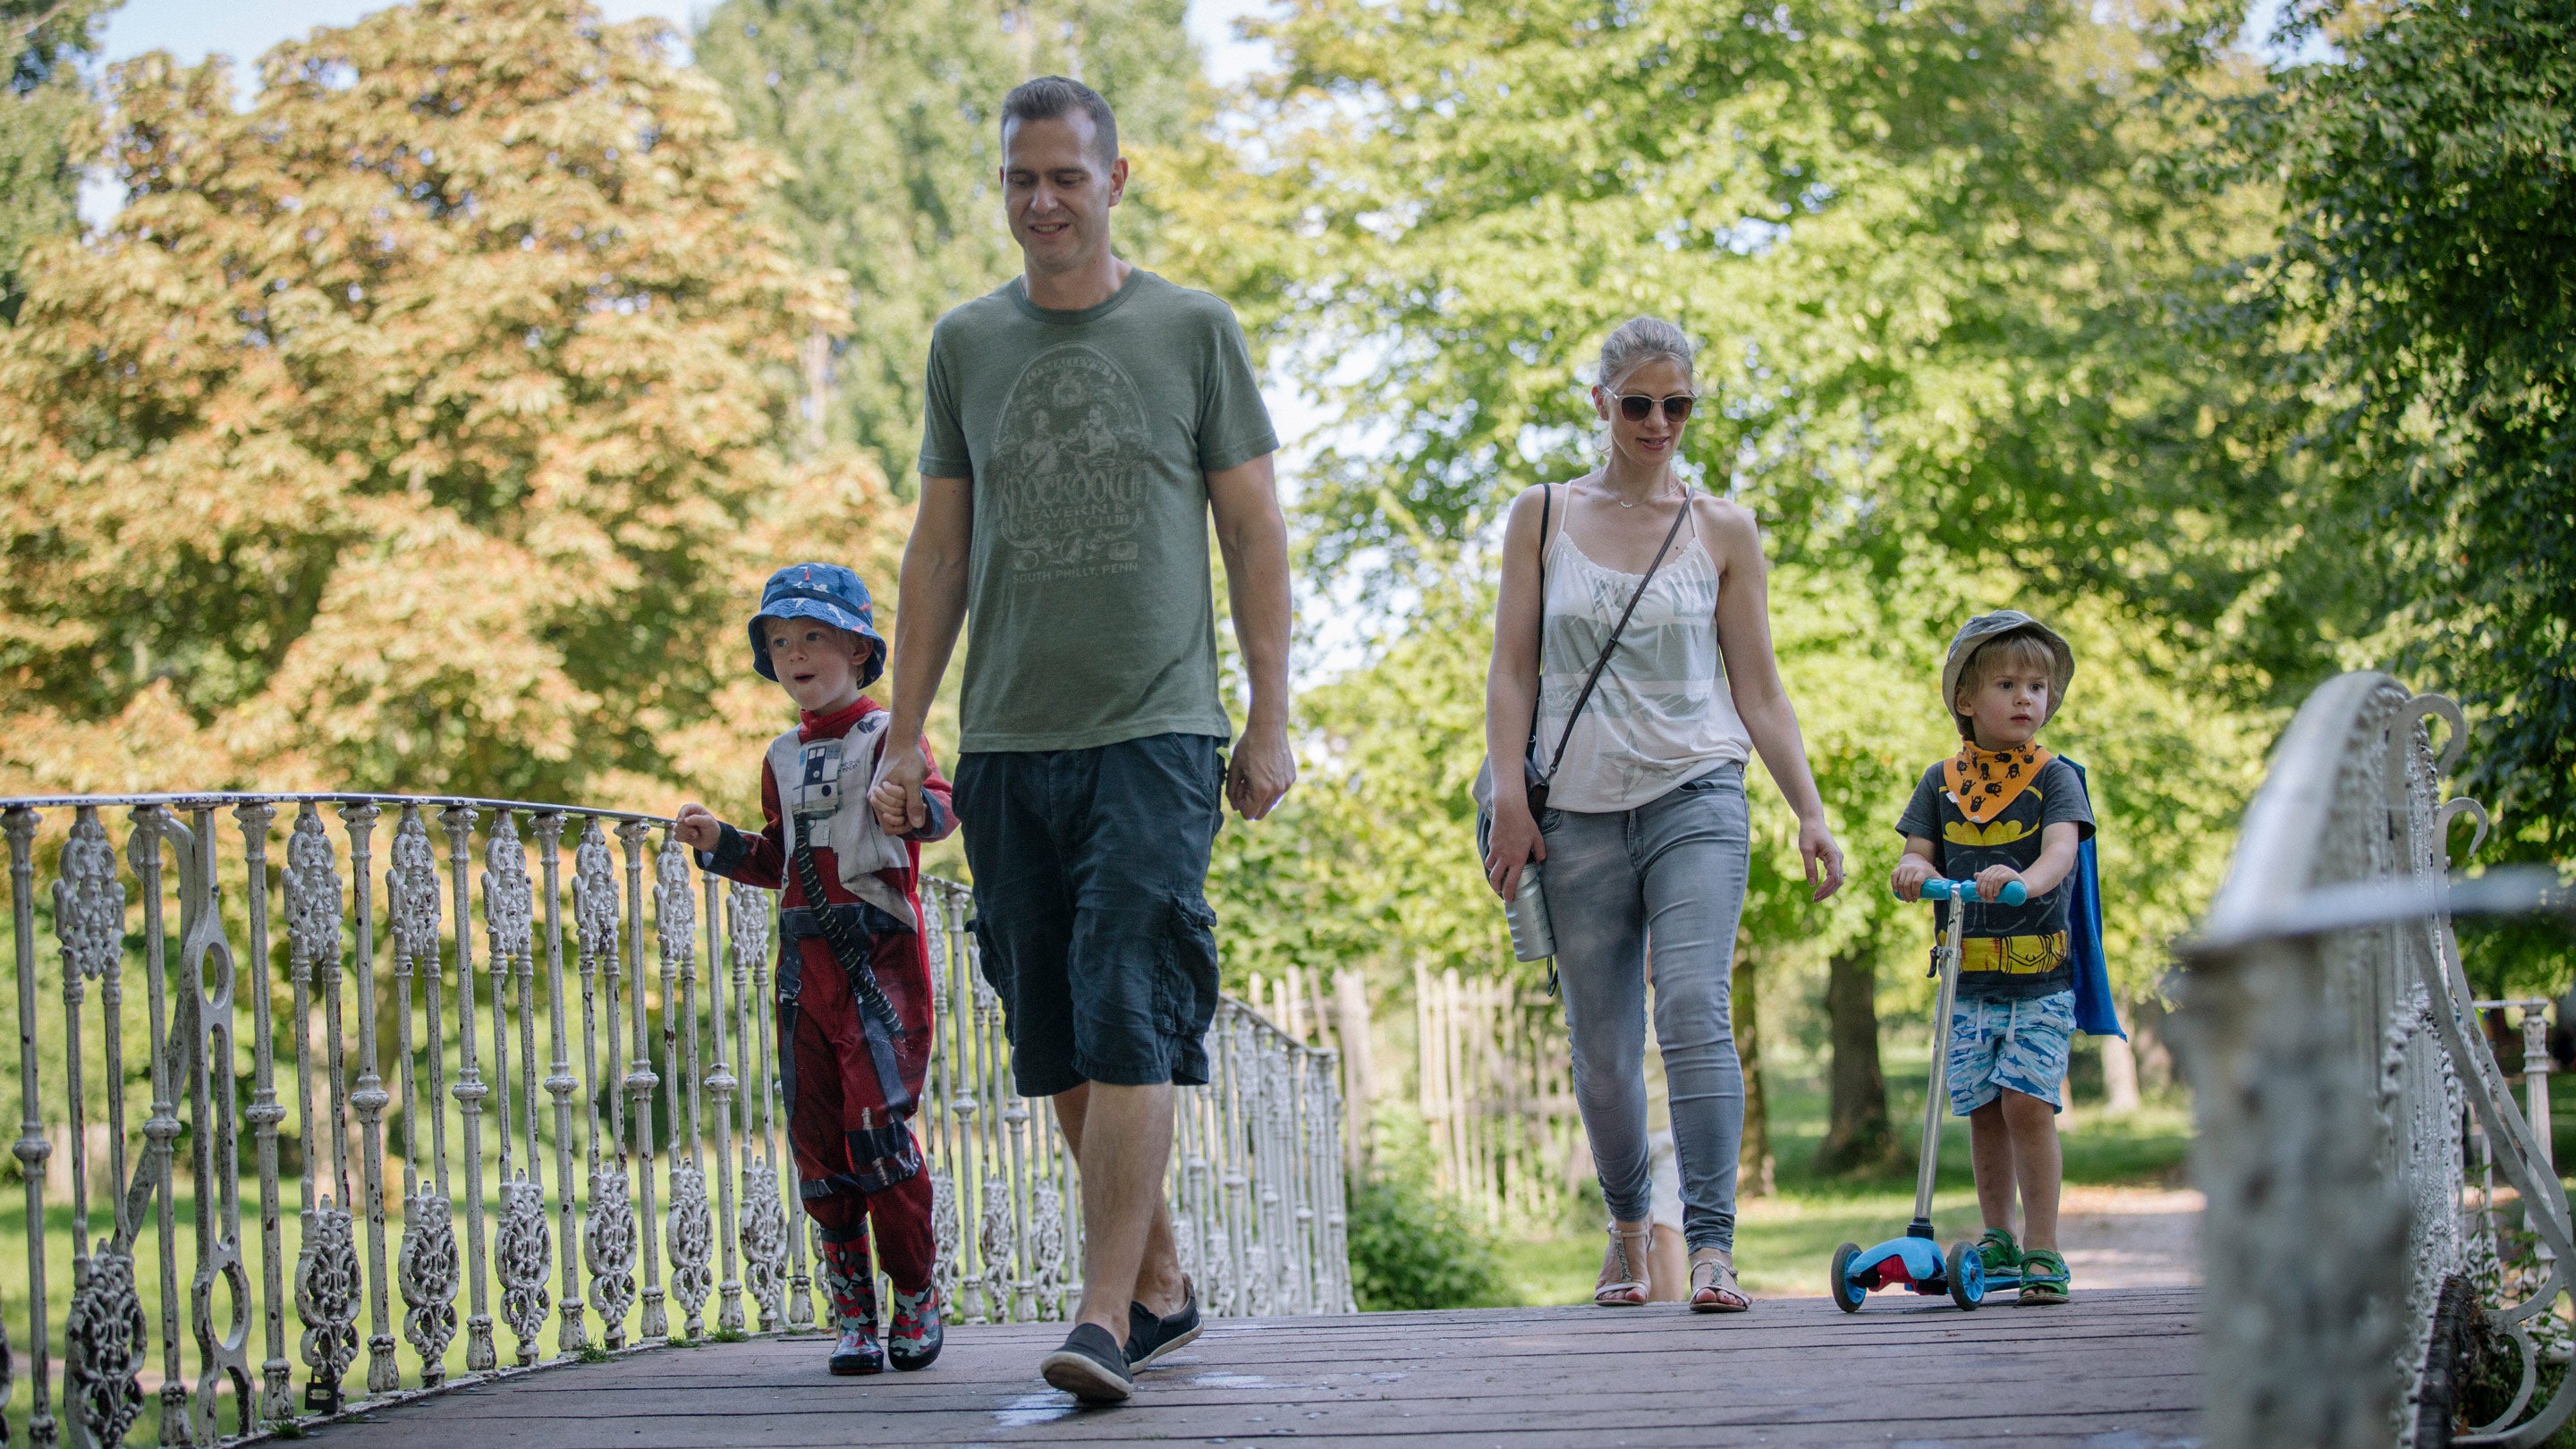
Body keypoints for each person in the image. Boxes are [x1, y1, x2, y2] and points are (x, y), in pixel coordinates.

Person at [865, 75, 1295, 1404]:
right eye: (1019, 179)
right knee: (1049, 1024)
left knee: (1130, 1000)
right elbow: (940, 551)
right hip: (1006, 740)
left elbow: (1256, 531)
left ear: (1117, 182)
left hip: (1157, 729)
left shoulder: (1190, 329)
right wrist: (905, 734)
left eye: (1064, 176)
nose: (1041, 201)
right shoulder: (965, 346)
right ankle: (1159, 1283)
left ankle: (1102, 1314)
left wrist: (1271, 714)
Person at [1482, 316, 1845, 1316]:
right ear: (1600, 403)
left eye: (1676, 405)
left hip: (1698, 792)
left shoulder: (1722, 530)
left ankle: (1717, 1248)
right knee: (1601, 1051)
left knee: (1692, 1004)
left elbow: (1760, 689)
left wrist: (1809, 813)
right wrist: (1510, 798)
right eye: (1637, 403)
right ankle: (1629, 1227)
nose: (1657, 422)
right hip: (1578, 816)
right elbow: (1512, 670)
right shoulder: (1542, 515)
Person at [673, 563, 957, 1375]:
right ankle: (853, 1314)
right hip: (802, 968)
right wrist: (722, 846)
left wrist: (915, 808)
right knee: (817, 1141)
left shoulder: (888, 734)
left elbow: (939, 806)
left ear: (859, 650)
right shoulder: (779, 756)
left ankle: (915, 1294)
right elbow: (781, 857)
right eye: (780, 640)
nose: (795, 653)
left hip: (878, 963)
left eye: (813, 637)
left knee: (877, 1134)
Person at [1890, 610, 2095, 1305]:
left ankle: (2044, 1248)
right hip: (1968, 979)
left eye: (2037, 687)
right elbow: (1919, 849)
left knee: (2026, 1104)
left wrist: (2023, 881)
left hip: (2040, 976)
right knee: (1981, 1107)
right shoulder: (1941, 782)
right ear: (1966, 702)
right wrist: (1912, 869)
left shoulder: (2055, 778)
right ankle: (1998, 1236)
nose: (2025, 699)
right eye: (2006, 684)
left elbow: (2062, 851)